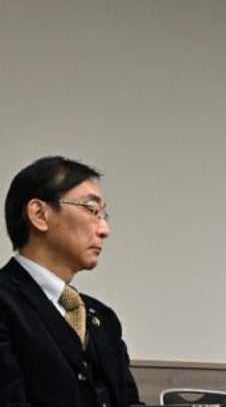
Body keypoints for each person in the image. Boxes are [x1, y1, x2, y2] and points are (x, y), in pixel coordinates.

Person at [0, 156, 141, 406]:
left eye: (104, 215)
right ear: (39, 214)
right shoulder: (5, 303)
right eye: (91, 209)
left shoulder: (103, 318)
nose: (104, 230)